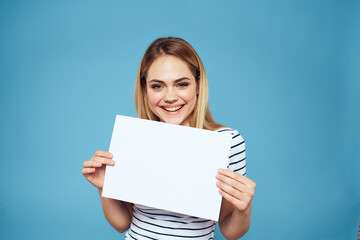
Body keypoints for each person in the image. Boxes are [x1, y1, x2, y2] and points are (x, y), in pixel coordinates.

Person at [81, 37, 256, 240]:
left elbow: (230, 231)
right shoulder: (135, 138)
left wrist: (244, 208)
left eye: (181, 84)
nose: (170, 97)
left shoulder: (227, 142)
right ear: (145, 90)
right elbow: (122, 224)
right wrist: (105, 187)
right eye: (158, 86)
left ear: (198, 85)